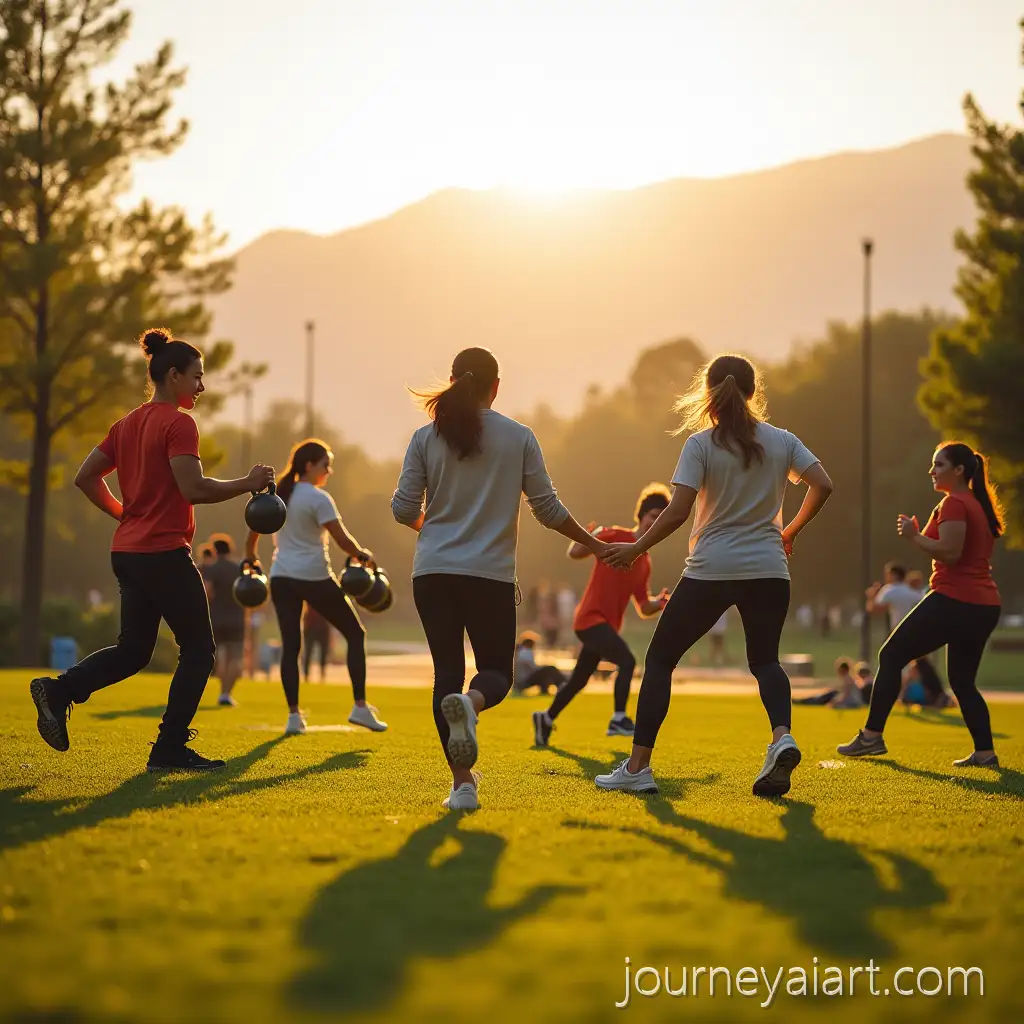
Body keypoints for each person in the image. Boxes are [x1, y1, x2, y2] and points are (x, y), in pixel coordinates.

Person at [29, 328, 275, 770]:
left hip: (127, 552)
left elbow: (86, 478)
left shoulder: (126, 424)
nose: (201, 387)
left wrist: (125, 514)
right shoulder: (179, 423)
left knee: (134, 651)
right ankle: (168, 748)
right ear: (174, 375)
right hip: (162, 553)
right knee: (200, 651)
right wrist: (247, 484)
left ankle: (60, 690)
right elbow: (194, 488)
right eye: (197, 377)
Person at [594, 354, 834, 797]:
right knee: (765, 661)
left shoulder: (701, 444)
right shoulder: (782, 441)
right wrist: (789, 531)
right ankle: (782, 737)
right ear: (752, 391)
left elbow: (677, 512)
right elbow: (823, 483)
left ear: (709, 393)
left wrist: (635, 548)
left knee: (662, 660)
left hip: (713, 568)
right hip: (768, 569)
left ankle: (638, 767)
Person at [392, 346, 608, 811]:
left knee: (445, 673)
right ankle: (471, 705)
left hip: (432, 572)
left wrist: (433, 530)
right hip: (487, 576)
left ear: (452, 381)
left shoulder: (425, 437)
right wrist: (593, 544)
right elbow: (547, 509)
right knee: (495, 675)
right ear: (496, 387)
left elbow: (403, 509)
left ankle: (462, 785)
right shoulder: (519, 436)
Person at [839, 443, 1004, 766]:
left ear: (958, 470)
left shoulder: (955, 503)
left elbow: (951, 553)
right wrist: (918, 535)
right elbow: (950, 548)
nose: (932, 471)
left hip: (956, 599)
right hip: (983, 604)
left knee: (891, 655)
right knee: (962, 681)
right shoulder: (972, 504)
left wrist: (914, 535)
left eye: (938, 465)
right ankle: (985, 752)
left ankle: (871, 737)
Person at [246, 438, 386, 736]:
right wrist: (363, 555)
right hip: (313, 576)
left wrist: (250, 559)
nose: (329, 471)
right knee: (355, 633)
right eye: (326, 465)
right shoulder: (318, 498)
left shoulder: (280, 494)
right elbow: (341, 538)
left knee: (291, 646)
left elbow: (254, 531)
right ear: (310, 466)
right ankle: (360, 707)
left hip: (282, 576)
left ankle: (294, 717)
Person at [532, 486, 672, 747]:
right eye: (652, 515)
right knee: (628, 661)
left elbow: (643, 605)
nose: (655, 522)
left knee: (578, 680)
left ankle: (546, 718)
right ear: (641, 516)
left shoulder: (645, 561)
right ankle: (619, 718)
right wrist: (589, 535)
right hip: (590, 619)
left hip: (606, 626)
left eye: (661, 518)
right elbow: (575, 553)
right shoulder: (616, 535)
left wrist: (660, 603)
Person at [201, 533, 246, 707]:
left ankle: (219, 686)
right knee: (235, 658)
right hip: (236, 619)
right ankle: (225, 694)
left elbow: (207, 592)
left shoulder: (212, 569)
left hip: (215, 619)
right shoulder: (238, 568)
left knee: (218, 657)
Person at [794, 657, 865, 708]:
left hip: (852, 703)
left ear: (843, 669)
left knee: (821, 698)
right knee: (827, 695)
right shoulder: (849, 678)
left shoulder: (848, 679)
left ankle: (801, 701)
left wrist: (835, 701)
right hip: (851, 701)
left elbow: (846, 695)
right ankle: (802, 701)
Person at [513, 631, 565, 696]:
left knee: (547, 672)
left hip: (520, 681)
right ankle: (563, 684)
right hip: (523, 682)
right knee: (549, 669)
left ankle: (546, 689)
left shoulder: (520, 651)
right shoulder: (525, 652)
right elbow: (533, 668)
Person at [303, 604, 332, 682]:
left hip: (321, 627)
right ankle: (306, 674)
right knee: (308, 652)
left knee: (323, 653)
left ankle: (322, 674)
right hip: (311, 626)